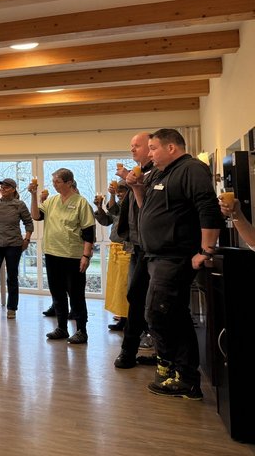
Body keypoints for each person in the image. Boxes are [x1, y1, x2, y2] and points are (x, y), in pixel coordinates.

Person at [133, 128, 222, 399]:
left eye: (153, 148)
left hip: (174, 257)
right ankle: (183, 376)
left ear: (171, 147)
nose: (149, 154)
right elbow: (146, 209)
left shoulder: (191, 169)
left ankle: (179, 373)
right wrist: (136, 187)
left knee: (157, 313)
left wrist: (206, 250)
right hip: (155, 256)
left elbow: (208, 208)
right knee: (174, 314)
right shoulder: (159, 174)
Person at [29, 168, 95, 344]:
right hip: (52, 253)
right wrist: (33, 195)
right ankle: (62, 328)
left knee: (76, 294)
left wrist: (86, 256)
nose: (54, 185)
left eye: (57, 181)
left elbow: (89, 232)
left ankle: (81, 330)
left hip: (73, 255)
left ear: (69, 182)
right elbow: (36, 216)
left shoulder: (81, 203)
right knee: (57, 293)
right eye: (53, 181)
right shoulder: (52, 201)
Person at [113, 132, 157, 369]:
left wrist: (133, 183)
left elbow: (150, 208)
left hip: (153, 246)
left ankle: (136, 350)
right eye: (131, 146)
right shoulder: (139, 174)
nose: (132, 149)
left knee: (142, 298)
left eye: (136, 146)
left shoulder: (157, 174)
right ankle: (131, 349)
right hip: (137, 245)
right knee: (135, 296)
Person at [0, 178, 33, 319]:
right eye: (2, 187)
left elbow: (29, 223)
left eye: (6, 187)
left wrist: (27, 239)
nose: (3, 189)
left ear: (13, 189)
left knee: (12, 277)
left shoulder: (19, 204)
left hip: (14, 244)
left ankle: (12, 308)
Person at [94, 181, 131, 332]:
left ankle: (129, 319)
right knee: (116, 286)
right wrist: (99, 207)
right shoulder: (118, 205)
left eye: (123, 191)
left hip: (126, 248)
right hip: (115, 247)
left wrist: (111, 196)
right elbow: (106, 221)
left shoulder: (132, 205)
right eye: (118, 191)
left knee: (125, 285)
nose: (120, 194)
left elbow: (115, 210)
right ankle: (122, 317)